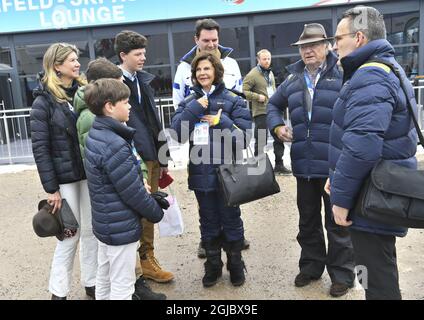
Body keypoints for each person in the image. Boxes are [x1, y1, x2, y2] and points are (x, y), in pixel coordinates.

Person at [328, 6, 418, 300]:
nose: (334, 44)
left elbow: (363, 145)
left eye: (338, 37)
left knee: (377, 280)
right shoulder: (386, 67)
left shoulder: (370, 76)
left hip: (371, 194)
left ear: (360, 37)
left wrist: (341, 199)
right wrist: (337, 176)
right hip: (377, 189)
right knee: (379, 270)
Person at [267, 24, 355, 297]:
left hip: (334, 166)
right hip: (304, 165)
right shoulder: (293, 79)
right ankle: (311, 267)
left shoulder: (343, 74)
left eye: (314, 45)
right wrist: (277, 127)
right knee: (307, 220)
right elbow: (272, 105)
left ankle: (342, 275)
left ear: (328, 46)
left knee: (337, 222)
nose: (307, 50)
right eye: (303, 47)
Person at [73, 57, 166, 300]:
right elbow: (131, 192)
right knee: (122, 286)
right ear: (109, 106)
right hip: (120, 226)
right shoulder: (114, 143)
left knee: (104, 279)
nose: (130, 107)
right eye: (125, 102)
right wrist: (155, 211)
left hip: (106, 224)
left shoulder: (99, 133)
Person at [171, 53, 251, 287]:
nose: (202, 73)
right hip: (201, 173)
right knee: (208, 220)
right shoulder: (189, 103)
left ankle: (235, 263)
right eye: (198, 70)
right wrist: (195, 108)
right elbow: (176, 135)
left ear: (216, 70)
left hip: (228, 173)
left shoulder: (233, 100)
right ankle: (213, 265)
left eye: (206, 68)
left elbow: (245, 139)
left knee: (231, 219)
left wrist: (221, 122)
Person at [30, 43, 97, 300]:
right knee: (69, 234)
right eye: (71, 59)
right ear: (57, 65)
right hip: (64, 182)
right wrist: (52, 189)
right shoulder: (43, 101)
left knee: (92, 231)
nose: (77, 63)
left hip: (88, 176)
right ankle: (59, 293)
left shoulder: (84, 92)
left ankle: (91, 283)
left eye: (76, 58)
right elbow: (41, 149)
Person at [114, 30, 173, 283]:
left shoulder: (143, 81)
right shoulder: (113, 84)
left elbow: (154, 121)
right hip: (128, 159)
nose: (143, 58)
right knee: (132, 211)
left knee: (149, 209)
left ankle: (147, 260)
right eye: (138, 54)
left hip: (150, 156)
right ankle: (132, 266)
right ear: (122, 55)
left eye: (144, 53)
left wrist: (162, 158)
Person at [242, 49, 291, 175]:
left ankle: (279, 165)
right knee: (261, 140)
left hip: (273, 111)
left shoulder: (269, 73)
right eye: (264, 59)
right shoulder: (252, 75)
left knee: (279, 137)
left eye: (269, 58)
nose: (267, 61)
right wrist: (258, 97)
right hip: (261, 112)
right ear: (258, 60)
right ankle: (259, 166)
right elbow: (244, 92)